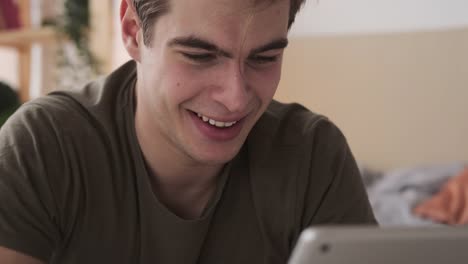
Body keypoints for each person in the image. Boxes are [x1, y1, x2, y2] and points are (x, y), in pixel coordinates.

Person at [0, 0, 376, 263]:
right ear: (133, 31)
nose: (235, 98)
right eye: (199, 56)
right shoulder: (43, 146)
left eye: (264, 58)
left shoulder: (314, 156)